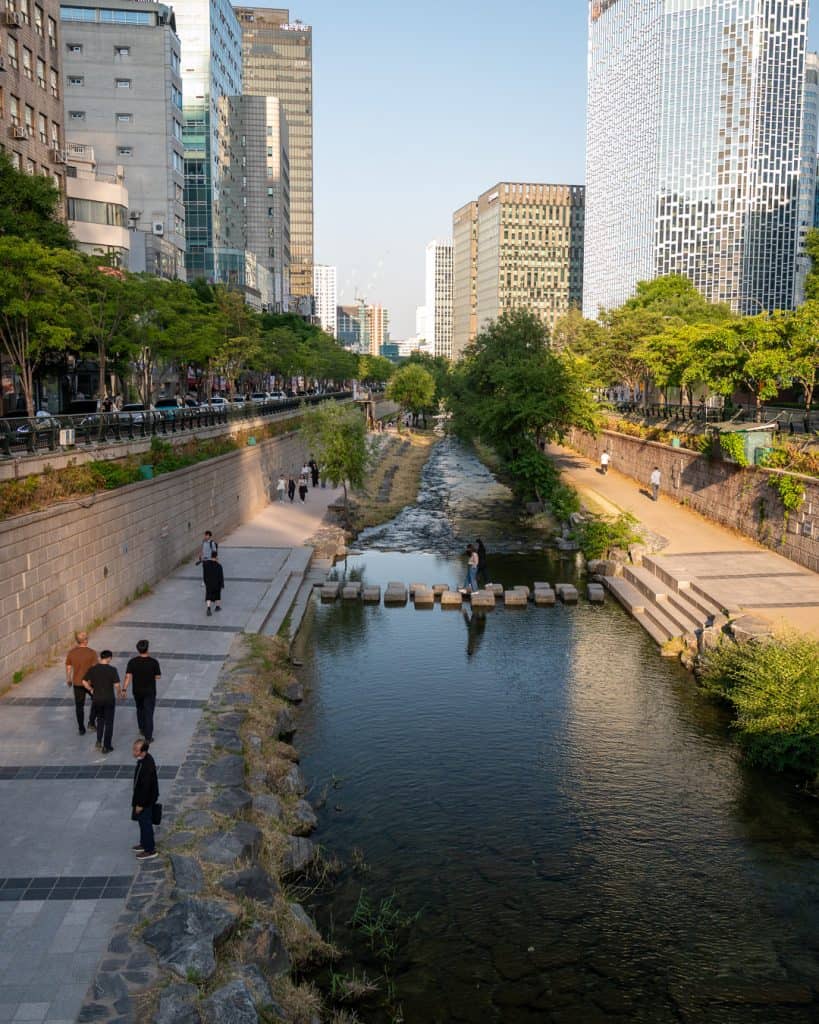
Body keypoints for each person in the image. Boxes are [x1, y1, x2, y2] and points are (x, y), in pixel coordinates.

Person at [122, 640, 161, 744]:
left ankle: (142, 728)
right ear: (147, 649)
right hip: (150, 691)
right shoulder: (153, 662)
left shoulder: (132, 662)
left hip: (137, 691)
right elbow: (158, 676)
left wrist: (124, 689)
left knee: (139, 709)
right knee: (149, 713)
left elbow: (128, 676)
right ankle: (148, 737)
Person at [82, 650, 121, 754]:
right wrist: (119, 693)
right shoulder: (112, 670)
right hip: (109, 699)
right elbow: (117, 685)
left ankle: (98, 741)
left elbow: (84, 681)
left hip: (97, 699)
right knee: (109, 723)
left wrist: (90, 689)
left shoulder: (93, 669)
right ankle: (106, 746)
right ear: (109, 658)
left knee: (100, 720)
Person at [65, 631, 98, 735]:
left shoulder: (71, 653)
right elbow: (95, 669)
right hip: (90, 683)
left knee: (79, 706)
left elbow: (69, 666)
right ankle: (91, 722)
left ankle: (81, 728)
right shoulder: (92, 653)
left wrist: (69, 679)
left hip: (77, 683)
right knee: (97, 701)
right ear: (86, 641)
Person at [131, 738, 159, 860]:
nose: (133, 752)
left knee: (146, 824)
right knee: (142, 823)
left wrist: (140, 804)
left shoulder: (147, 766)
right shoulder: (144, 759)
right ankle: (144, 843)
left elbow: (146, 788)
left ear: (143, 752)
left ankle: (149, 849)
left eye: (136, 750)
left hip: (145, 802)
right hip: (144, 799)